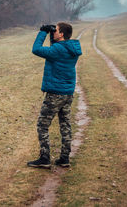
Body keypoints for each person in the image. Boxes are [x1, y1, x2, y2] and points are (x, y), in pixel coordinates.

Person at [27, 22, 82, 169]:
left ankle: (44, 158)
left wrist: (43, 32)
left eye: (55, 30)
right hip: (67, 93)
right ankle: (64, 158)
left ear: (62, 34)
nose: (54, 32)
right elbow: (56, 48)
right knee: (65, 124)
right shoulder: (71, 48)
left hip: (55, 94)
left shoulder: (58, 49)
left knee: (42, 125)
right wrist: (52, 34)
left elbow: (36, 49)